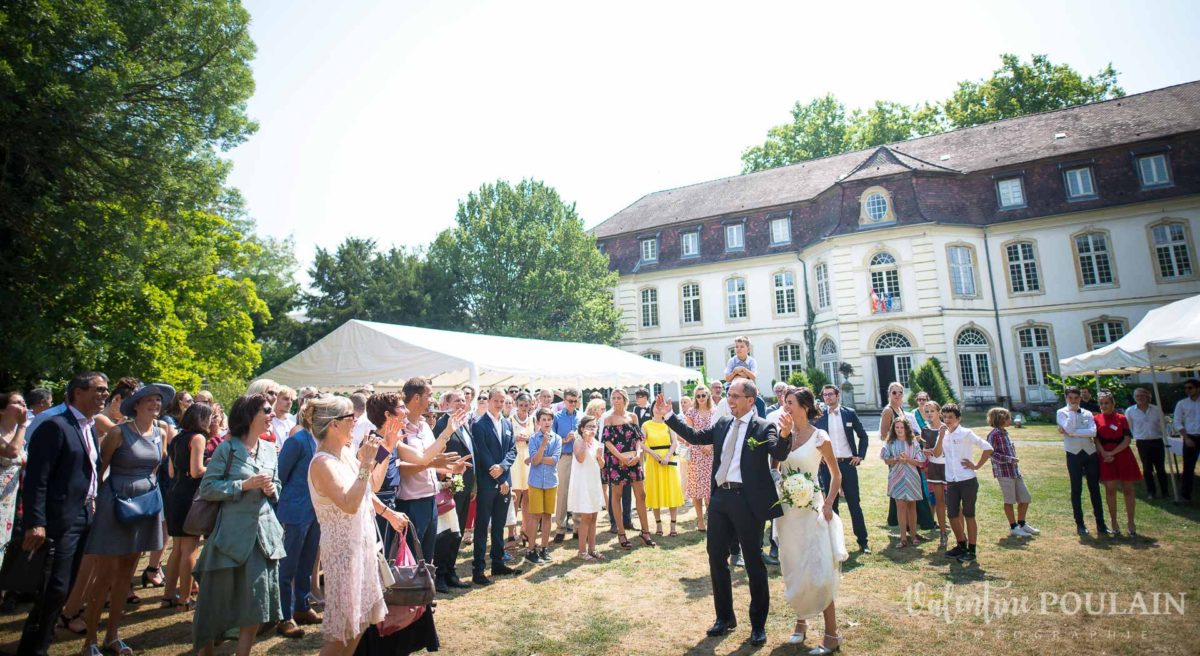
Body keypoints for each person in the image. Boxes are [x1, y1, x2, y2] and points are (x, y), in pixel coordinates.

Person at [659, 379, 791, 646]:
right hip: (720, 498)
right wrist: (669, 416)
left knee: (753, 563)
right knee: (715, 557)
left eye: (735, 396)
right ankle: (724, 617)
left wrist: (786, 435)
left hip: (747, 501)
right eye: (728, 395)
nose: (729, 400)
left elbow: (778, 451)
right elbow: (696, 437)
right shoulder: (722, 424)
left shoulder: (764, 427)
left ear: (750, 400)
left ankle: (758, 625)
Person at [307, 395, 409, 656]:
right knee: (343, 632)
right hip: (343, 554)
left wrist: (387, 448)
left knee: (361, 623)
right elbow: (349, 503)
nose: (355, 422)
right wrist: (365, 462)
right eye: (350, 418)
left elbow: (370, 486)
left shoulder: (343, 455)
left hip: (362, 547)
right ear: (334, 424)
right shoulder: (322, 463)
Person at [16, 372, 108, 656]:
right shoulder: (55, 426)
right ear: (78, 392)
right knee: (53, 587)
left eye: (106, 390)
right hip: (58, 520)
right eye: (99, 390)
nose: (105, 395)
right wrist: (36, 523)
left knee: (65, 586)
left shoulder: (89, 427)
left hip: (82, 515)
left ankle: (39, 644)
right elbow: (36, 479)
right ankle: (34, 649)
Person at [79, 382, 173, 656]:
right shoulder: (119, 433)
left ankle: (113, 636)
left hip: (145, 506)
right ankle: (90, 642)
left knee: (126, 574)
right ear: (137, 404)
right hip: (115, 505)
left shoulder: (161, 432)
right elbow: (100, 470)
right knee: (105, 575)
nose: (155, 404)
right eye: (150, 400)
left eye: (158, 400)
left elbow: (157, 468)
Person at [192, 393, 286, 656]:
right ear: (249, 415)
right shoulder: (226, 448)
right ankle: (205, 651)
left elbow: (277, 486)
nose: (272, 415)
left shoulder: (270, 448)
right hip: (229, 537)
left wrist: (270, 489)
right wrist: (243, 485)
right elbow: (207, 487)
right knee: (215, 598)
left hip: (263, 538)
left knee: (256, 601)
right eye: (266, 410)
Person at [774, 387, 848, 654]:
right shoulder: (782, 435)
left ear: (804, 406)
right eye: (784, 402)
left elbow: (836, 475)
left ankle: (831, 635)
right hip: (787, 512)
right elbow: (775, 467)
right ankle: (800, 623)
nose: (786, 406)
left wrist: (828, 504)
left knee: (818, 569)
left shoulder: (820, 437)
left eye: (790, 402)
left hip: (813, 511)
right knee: (793, 566)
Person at [394, 378, 469, 564]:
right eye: (428, 395)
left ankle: (426, 591)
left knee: (428, 557)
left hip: (430, 500)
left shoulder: (425, 426)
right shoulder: (398, 429)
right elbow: (399, 470)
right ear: (417, 398)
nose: (431, 399)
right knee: (410, 560)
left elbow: (431, 462)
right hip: (410, 504)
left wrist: (451, 468)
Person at [275, 394, 326, 639]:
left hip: (316, 511)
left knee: (307, 563)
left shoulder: (324, 442)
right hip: (294, 512)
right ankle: (284, 616)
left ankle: (302, 606)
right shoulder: (297, 440)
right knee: (287, 566)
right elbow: (279, 476)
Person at [162, 403, 216, 612]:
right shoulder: (198, 438)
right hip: (188, 496)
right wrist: (212, 464)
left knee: (176, 549)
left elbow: (171, 471)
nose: (212, 422)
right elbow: (196, 471)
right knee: (190, 549)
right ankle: (185, 598)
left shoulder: (177, 438)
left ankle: (168, 595)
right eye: (210, 418)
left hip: (174, 493)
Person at [470, 389, 520, 585]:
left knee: (499, 525)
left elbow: (512, 450)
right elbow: (482, 453)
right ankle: (478, 569)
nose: (499, 404)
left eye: (503, 401)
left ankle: (498, 563)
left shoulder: (507, 423)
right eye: (496, 400)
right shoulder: (479, 425)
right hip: (488, 483)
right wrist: (499, 478)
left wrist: (504, 468)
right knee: (482, 527)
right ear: (489, 401)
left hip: (504, 480)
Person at [814, 385, 871, 553]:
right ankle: (835, 543)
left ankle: (863, 541)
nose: (827, 398)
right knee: (831, 504)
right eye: (825, 395)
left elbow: (863, 436)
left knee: (854, 504)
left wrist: (859, 455)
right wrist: (819, 457)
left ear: (837, 396)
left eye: (830, 394)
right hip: (828, 466)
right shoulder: (819, 415)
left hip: (847, 464)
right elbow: (814, 438)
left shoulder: (849, 413)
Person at [933, 403, 993, 563]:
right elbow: (937, 453)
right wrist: (940, 436)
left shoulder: (966, 433)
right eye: (944, 417)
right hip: (951, 481)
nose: (947, 420)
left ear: (958, 418)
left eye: (950, 417)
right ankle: (961, 544)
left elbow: (987, 448)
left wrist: (976, 466)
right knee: (952, 514)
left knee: (969, 515)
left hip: (967, 480)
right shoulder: (943, 434)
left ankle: (972, 550)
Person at [602, 388, 654, 550]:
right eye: (614, 398)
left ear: (625, 400)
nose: (616, 400)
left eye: (619, 398)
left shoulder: (633, 417)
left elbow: (639, 438)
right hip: (617, 462)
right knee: (616, 496)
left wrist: (638, 454)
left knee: (641, 495)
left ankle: (645, 532)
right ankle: (621, 533)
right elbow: (607, 442)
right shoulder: (608, 419)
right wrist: (621, 458)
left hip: (634, 461)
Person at [433, 390, 474, 590]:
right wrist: (451, 481)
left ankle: (450, 571)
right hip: (451, 484)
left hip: (465, 484)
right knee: (447, 532)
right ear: (445, 404)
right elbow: (439, 455)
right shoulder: (442, 426)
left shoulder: (465, 423)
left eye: (463, 400)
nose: (461, 403)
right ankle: (440, 574)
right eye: (457, 400)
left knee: (457, 533)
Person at [881, 383, 935, 532]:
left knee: (912, 488)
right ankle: (915, 524)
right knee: (902, 491)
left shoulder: (901, 409)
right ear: (889, 394)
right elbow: (883, 435)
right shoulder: (888, 410)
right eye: (894, 393)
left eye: (900, 392)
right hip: (896, 455)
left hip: (909, 453)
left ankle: (909, 525)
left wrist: (914, 438)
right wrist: (899, 441)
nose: (897, 395)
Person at [1057, 386, 1110, 535]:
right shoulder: (1061, 412)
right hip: (1073, 454)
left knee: (1095, 488)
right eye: (1070, 398)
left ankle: (1101, 523)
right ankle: (1080, 523)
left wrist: (1073, 432)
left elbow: (1093, 431)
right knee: (1076, 488)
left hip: (1090, 453)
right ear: (1066, 398)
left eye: (1076, 398)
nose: (1073, 401)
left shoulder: (1087, 413)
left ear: (1080, 398)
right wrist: (1072, 417)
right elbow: (1069, 429)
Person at [985, 407, 1040, 538]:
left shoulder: (1005, 433)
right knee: (1009, 500)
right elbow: (991, 454)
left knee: (1025, 498)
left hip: (1015, 472)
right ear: (1001, 419)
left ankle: (1022, 523)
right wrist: (1010, 459)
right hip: (1004, 473)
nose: (1011, 420)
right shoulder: (994, 434)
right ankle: (1013, 526)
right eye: (1008, 417)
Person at [1095, 392, 1141, 536]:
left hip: (1122, 455)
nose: (1103, 406)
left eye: (1106, 403)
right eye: (1101, 403)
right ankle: (1114, 521)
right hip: (1105, 456)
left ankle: (1131, 521)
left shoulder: (1121, 418)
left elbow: (1127, 439)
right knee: (1110, 489)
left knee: (1128, 489)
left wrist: (1112, 453)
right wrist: (1104, 453)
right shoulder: (1096, 419)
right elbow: (1095, 440)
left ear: (1113, 404)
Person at [880, 416, 926, 548]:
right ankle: (903, 538)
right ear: (893, 429)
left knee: (912, 507)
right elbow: (885, 460)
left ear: (906, 428)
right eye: (897, 427)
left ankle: (913, 535)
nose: (899, 430)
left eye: (902, 427)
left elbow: (921, 462)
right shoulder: (890, 443)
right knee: (900, 507)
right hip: (896, 477)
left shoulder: (913, 442)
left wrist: (908, 460)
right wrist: (895, 459)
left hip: (912, 477)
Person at [523, 408, 561, 564]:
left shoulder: (557, 439)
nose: (546, 422)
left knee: (547, 516)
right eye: (543, 419)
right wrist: (543, 446)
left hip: (551, 481)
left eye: (549, 419)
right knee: (535, 516)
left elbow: (554, 460)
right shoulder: (533, 438)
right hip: (536, 482)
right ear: (538, 422)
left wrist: (535, 459)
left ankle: (544, 548)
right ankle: (531, 550)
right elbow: (536, 460)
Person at [568, 415, 605, 561]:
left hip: (594, 482)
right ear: (582, 428)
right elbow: (580, 458)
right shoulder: (578, 441)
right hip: (582, 483)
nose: (591, 429)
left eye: (594, 426)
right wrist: (584, 439)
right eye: (589, 426)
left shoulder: (596, 442)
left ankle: (592, 548)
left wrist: (600, 457)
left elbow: (602, 465)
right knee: (586, 517)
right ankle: (582, 550)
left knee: (594, 516)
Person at [642, 402, 683, 536]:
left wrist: (667, 457)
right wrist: (653, 454)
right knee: (655, 491)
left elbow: (675, 442)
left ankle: (673, 527)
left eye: (661, 407)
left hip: (668, 460)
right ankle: (658, 526)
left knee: (672, 490)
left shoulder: (668, 423)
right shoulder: (646, 425)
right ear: (652, 408)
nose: (658, 409)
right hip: (653, 462)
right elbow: (640, 444)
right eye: (656, 407)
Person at [918, 401, 950, 548]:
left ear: (939, 412)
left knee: (953, 503)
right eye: (927, 411)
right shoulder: (925, 429)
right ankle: (943, 533)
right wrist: (925, 451)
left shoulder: (947, 427)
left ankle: (961, 534)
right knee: (939, 502)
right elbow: (926, 448)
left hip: (949, 467)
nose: (929, 414)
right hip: (934, 468)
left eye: (932, 411)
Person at [683, 387, 715, 532]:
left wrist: (710, 445)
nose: (701, 398)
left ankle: (711, 518)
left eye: (703, 395)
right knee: (696, 488)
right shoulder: (691, 412)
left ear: (708, 396)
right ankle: (700, 520)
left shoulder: (715, 412)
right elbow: (689, 433)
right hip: (696, 453)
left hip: (712, 453)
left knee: (710, 488)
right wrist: (702, 445)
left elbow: (719, 431)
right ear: (695, 398)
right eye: (698, 396)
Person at [0, 393, 28, 558]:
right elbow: (12, 452)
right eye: (17, 403)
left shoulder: (19, 435)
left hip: (9, 500)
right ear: (2, 410)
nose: (23, 407)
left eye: (24, 403)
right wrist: (23, 425)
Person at [1127, 388, 1168, 499]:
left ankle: (1165, 491)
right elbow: (1130, 427)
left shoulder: (1156, 409)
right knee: (1147, 468)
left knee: (1160, 468)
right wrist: (1137, 435)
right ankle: (1151, 492)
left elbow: (1163, 424)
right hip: (1142, 442)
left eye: (1142, 395)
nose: (1140, 398)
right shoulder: (1130, 411)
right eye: (1137, 396)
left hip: (1157, 441)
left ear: (1148, 397)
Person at [552, 388, 581, 543]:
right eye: (570, 401)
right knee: (562, 493)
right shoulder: (556, 417)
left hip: (579, 458)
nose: (573, 404)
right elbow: (551, 439)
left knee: (577, 492)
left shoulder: (581, 417)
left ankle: (577, 527)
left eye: (576, 401)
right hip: (564, 457)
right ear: (564, 401)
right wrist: (564, 439)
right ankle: (560, 528)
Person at [509, 393, 533, 547]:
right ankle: (512, 532)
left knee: (528, 496)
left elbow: (537, 438)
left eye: (526, 404)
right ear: (516, 404)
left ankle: (526, 529)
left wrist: (528, 439)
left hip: (528, 459)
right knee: (515, 498)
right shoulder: (509, 420)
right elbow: (505, 439)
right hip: (515, 460)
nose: (524, 407)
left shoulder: (533, 420)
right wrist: (515, 438)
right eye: (521, 404)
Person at [1174, 379, 1200, 502]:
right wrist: (1186, 438)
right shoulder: (1182, 403)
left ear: (1197, 388)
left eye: (1190, 388)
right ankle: (1185, 495)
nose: (1187, 390)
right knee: (1188, 467)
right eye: (1186, 388)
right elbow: (1177, 422)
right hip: (1190, 436)